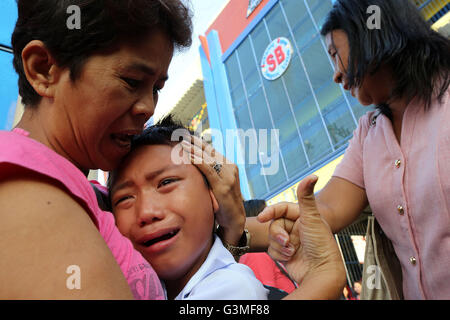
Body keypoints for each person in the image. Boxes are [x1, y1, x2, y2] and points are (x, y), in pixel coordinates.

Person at [0, 0, 345, 300]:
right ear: (43, 69)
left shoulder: (80, 193)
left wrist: (240, 230)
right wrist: (322, 281)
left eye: (157, 88)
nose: (148, 107)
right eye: (132, 82)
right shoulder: (25, 192)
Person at [259, 0, 450, 300]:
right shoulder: (367, 134)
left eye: (335, 54)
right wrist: (233, 230)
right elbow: (328, 209)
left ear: (370, 30)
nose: (336, 75)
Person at [107, 117, 269, 300]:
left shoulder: (233, 289)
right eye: (125, 198)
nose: (146, 212)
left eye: (166, 183)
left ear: (213, 194)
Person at [239, 200, 298, 299]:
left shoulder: (269, 252)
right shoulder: (256, 256)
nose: (276, 219)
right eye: (269, 215)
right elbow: (268, 296)